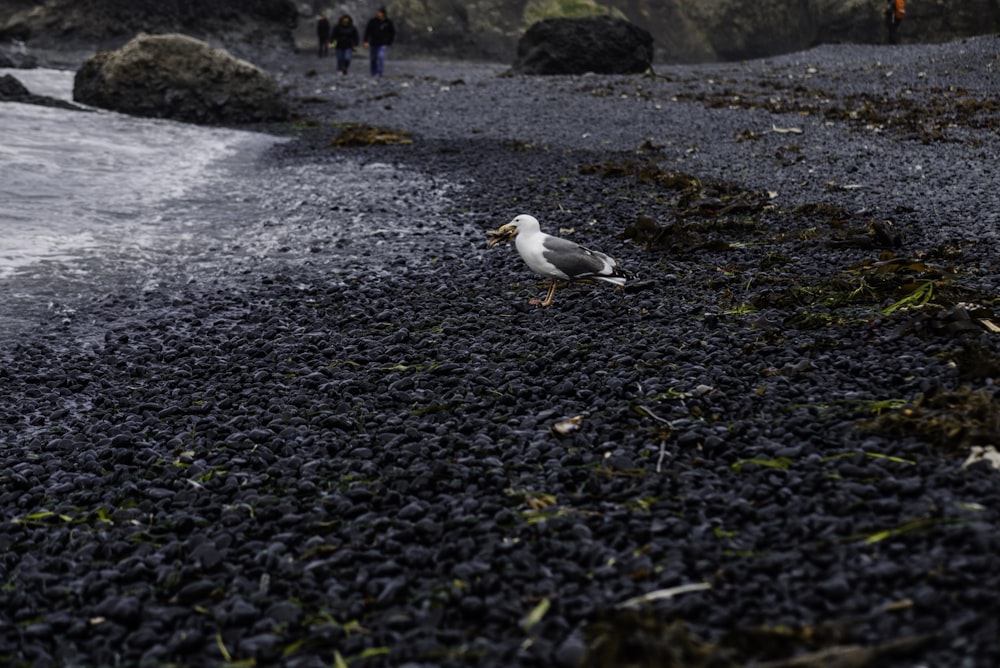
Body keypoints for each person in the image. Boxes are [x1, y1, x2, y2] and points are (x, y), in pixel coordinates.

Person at [363, 7, 395, 77]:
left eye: (379, 12)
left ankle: (379, 72)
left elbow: (392, 32)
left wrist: (389, 41)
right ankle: (373, 72)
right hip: (373, 42)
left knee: (381, 56)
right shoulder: (373, 21)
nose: (378, 14)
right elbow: (367, 31)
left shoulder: (388, 22)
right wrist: (366, 41)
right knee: (373, 58)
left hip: (383, 43)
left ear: (383, 14)